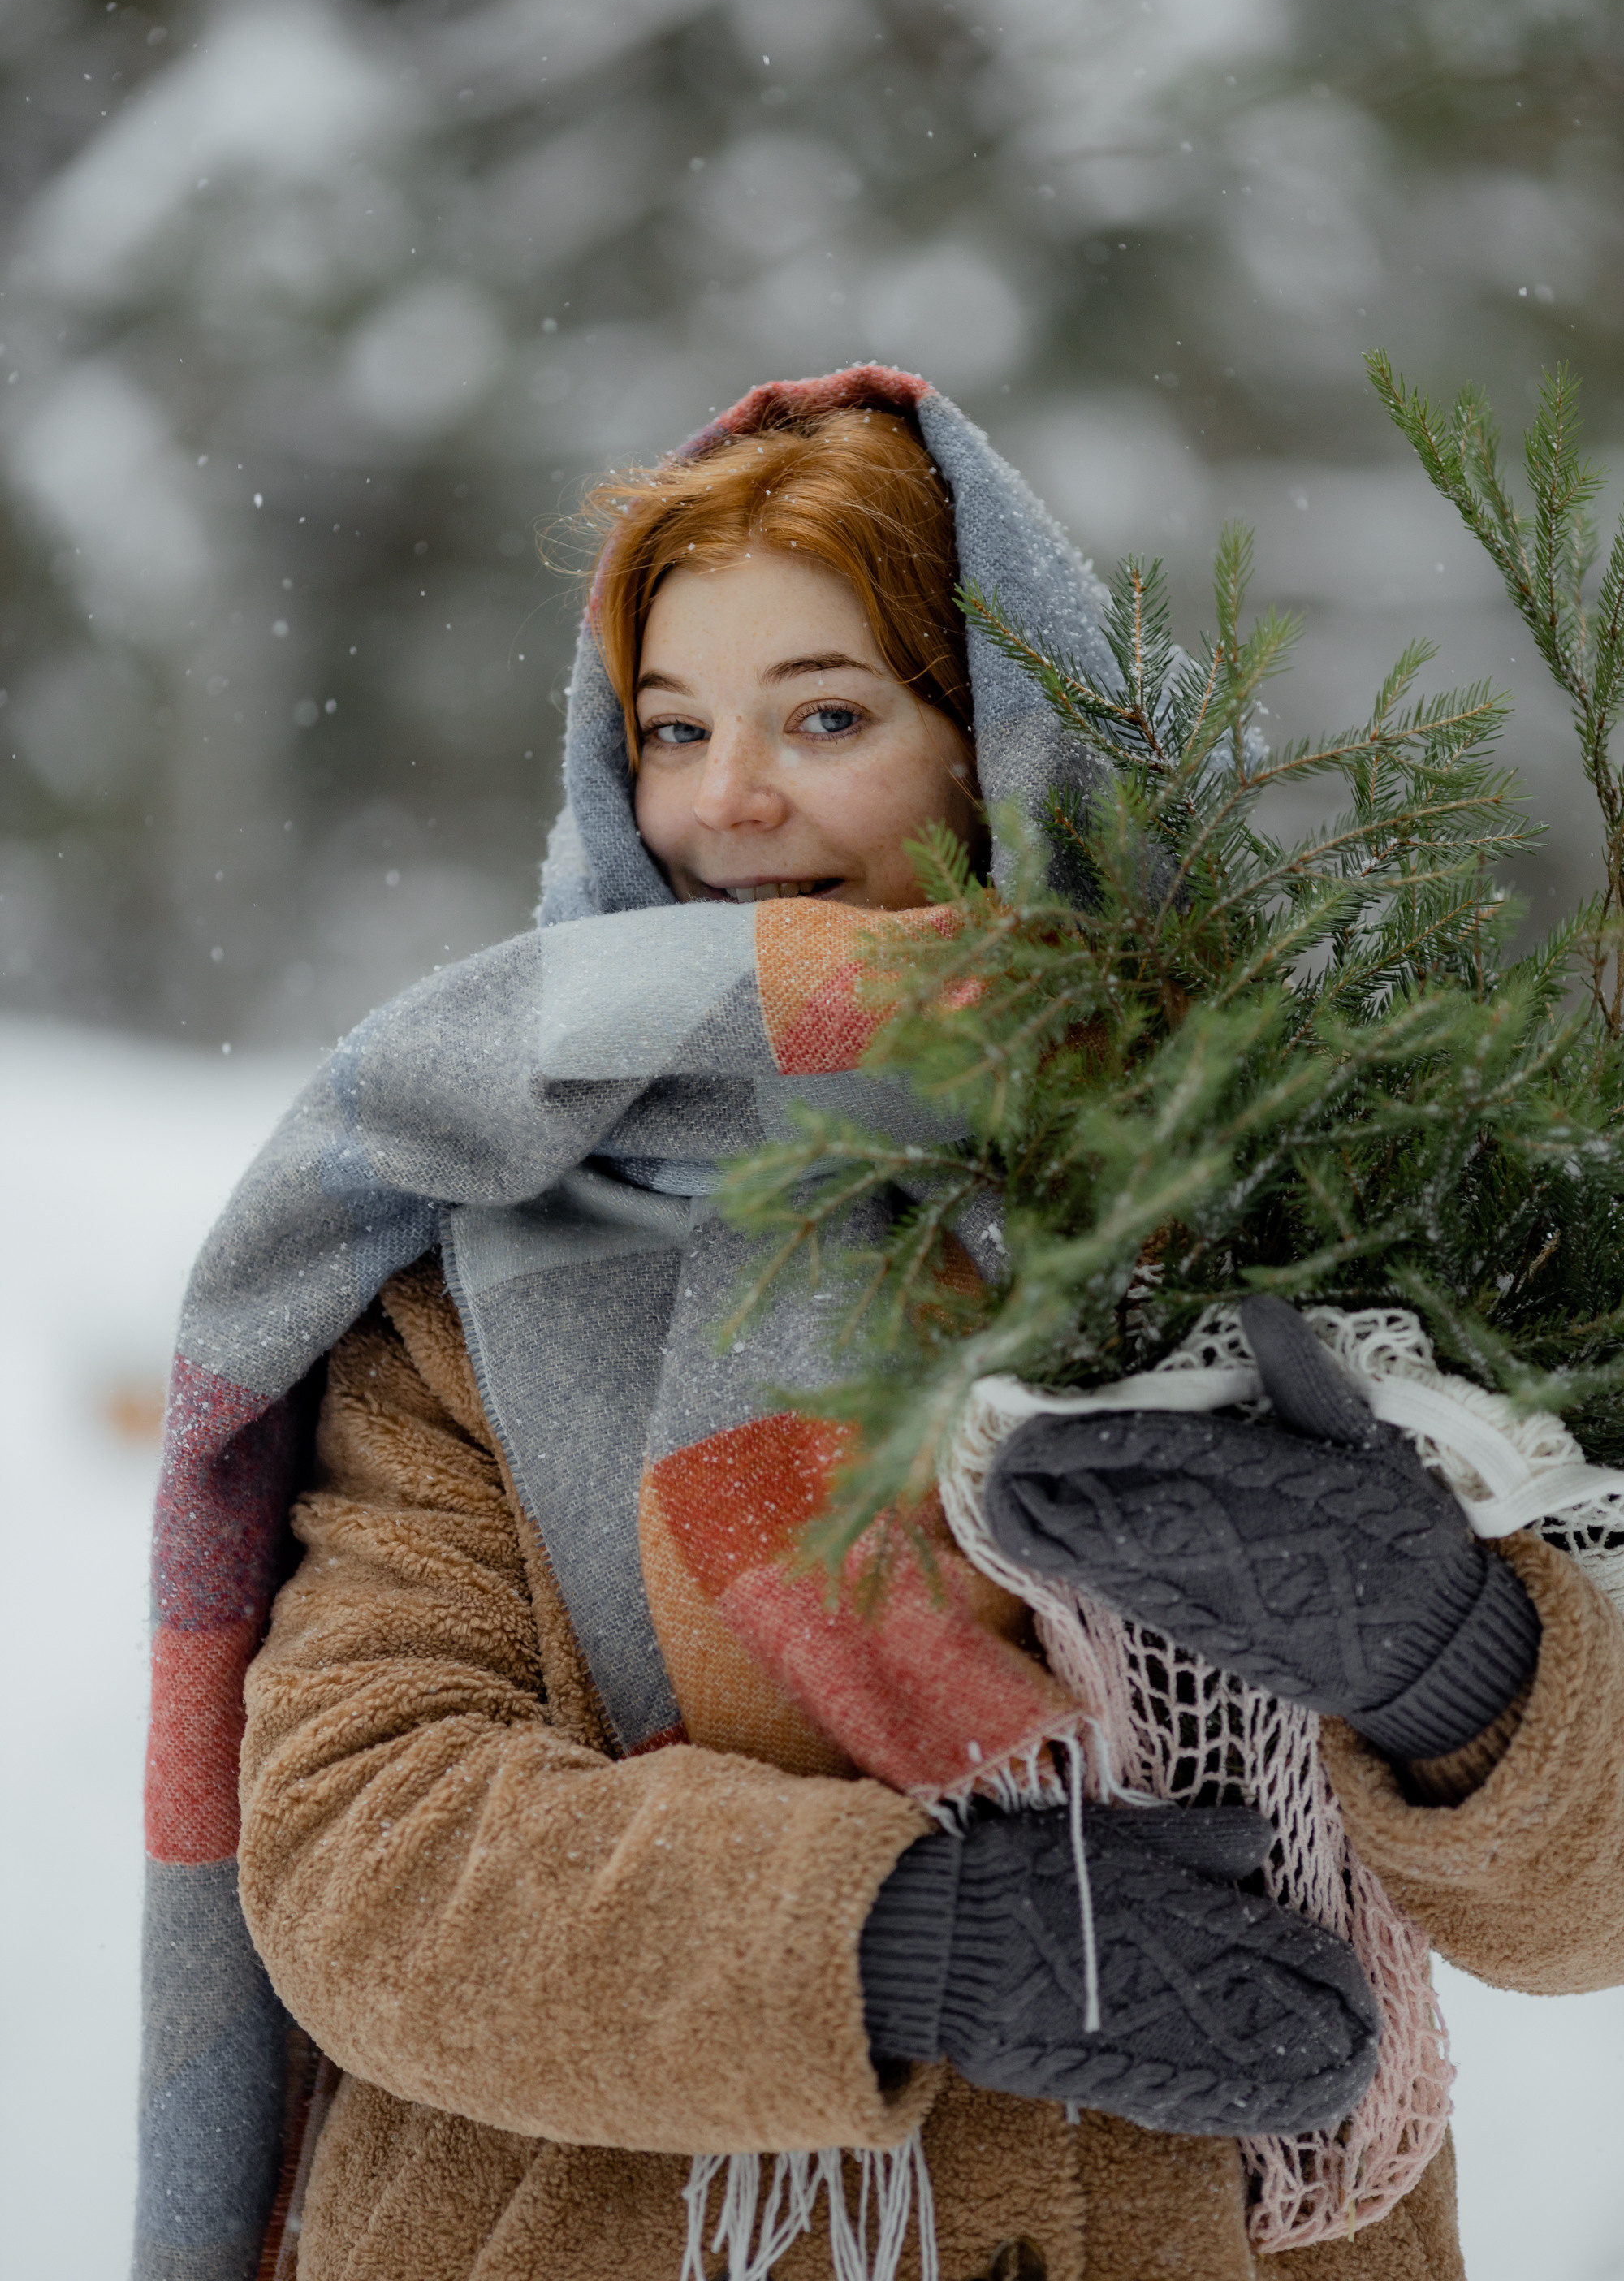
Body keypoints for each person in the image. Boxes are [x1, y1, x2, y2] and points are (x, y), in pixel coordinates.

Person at [138, 366, 1624, 2281]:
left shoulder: (1304, 1199)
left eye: (824, 716)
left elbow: (1583, 1913)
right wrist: (896, 1935)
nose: (723, 800)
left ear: (1002, 744)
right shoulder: (486, 1252)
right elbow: (364, 1856)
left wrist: (1458, 1668)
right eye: (670, 730)